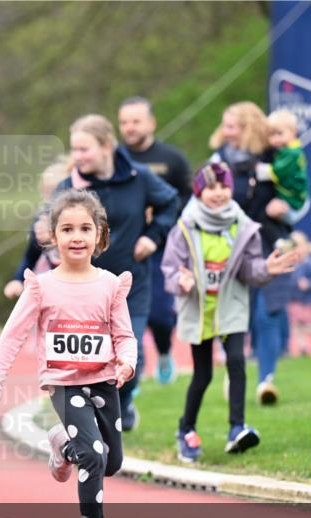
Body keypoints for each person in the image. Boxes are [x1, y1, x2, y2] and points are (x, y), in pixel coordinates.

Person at [0, 189, 137, 518]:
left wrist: (127, 362)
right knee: (95, 455)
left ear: (100, 234)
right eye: (67, 229)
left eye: (85, 228)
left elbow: (124, 335)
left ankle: (62, 445)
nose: (76, 237)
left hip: (103, 381)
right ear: (52, 237)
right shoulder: (41, 287)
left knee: (111, 462)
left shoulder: (111, 285)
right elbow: (12, 336)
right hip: (64, 383)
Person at [161, 162, 300, 463]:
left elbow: (250, 269)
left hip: (231, 306)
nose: (219, 193)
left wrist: (267, 268)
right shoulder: (185, 227)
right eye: (211, 187)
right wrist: (181, 280)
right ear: (199, 191)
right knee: (203, 375)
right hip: (199, 310)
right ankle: (186, 429)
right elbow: (171, 268)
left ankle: (237, 427)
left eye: (224, 186)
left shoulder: (242, 225)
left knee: (237, 361)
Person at [59, 114, 179, 430]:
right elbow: (43, 226)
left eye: (85, 149)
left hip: (131, 286)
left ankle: (123, 408)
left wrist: (152, 237)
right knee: (92, 359)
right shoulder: (71, 187)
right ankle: (94, 419)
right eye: (75, 150)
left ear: (107, 147)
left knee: (130, 356)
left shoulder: (139, 178)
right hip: (84, 289)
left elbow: (170, 202)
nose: (78, 157)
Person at [209, 101, 292, 405]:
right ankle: (235, 372)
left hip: (270, 242)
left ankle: (266, 380)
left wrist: (287, 210)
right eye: (225, 125)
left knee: (265, 313)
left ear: (250, 128)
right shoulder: (218, 161)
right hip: (230, 247)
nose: (227, 132)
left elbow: (299, 194)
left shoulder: (275, 158)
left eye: (233, 126)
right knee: (235, 313)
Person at [118, 97, 193, 385]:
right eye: (124, 122)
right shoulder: (116, 159)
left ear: (151, 123)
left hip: (164, 248)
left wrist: (160, 221)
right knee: (125, 314)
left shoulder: (172, 159)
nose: (129, 127)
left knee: (160, 314)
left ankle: (163, 351)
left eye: (135, 121)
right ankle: (131, 373)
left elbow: (186, 199)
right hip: (126, 247)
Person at [3, 157, 72, 300]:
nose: (49, 202)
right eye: (46, 194)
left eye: (55, 194)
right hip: (46, 281)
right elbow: (30, 255)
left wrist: (55, 237)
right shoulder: (40, 218)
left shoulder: (77, 219)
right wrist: (17, 279)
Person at [265, 110, 311, 224]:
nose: (275, 139)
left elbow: (277, 171)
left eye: (280, 134)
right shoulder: (288, 150)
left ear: (294, 132)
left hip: (293, 201)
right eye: (271, 135)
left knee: (271, 210)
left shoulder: (292, 153)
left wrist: (257, 169)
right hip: (293, 198)